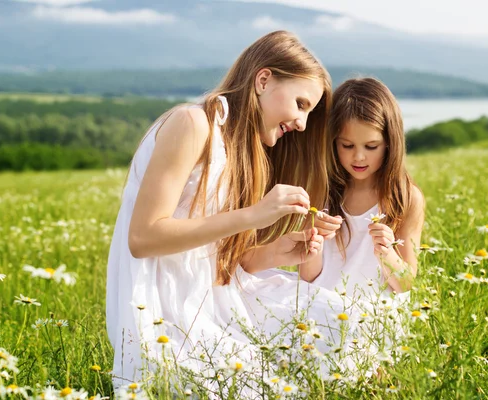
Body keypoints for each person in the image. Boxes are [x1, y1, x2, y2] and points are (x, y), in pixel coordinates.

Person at [105, 30, 349, 388]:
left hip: (213, 296)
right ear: (263, 80)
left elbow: (225, 262)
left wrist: (280, 251)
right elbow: (143, 238)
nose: (302, 124)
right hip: (163, 310)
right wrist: (254, 214)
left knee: (337, 322)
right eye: (301, 104)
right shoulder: (193, 125)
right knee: (250, 386)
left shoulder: (243, 154)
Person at [301, 77, 425, 305]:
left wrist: (387, 254)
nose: (359, 157)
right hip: (323, 305)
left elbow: (406, 283)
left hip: (376, 314)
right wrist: (312, 239)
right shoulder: (321, 190)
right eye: (347, 146)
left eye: (371, 146)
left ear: (390, 142)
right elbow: (309, 277)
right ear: (332, 142)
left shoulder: (406, 198)